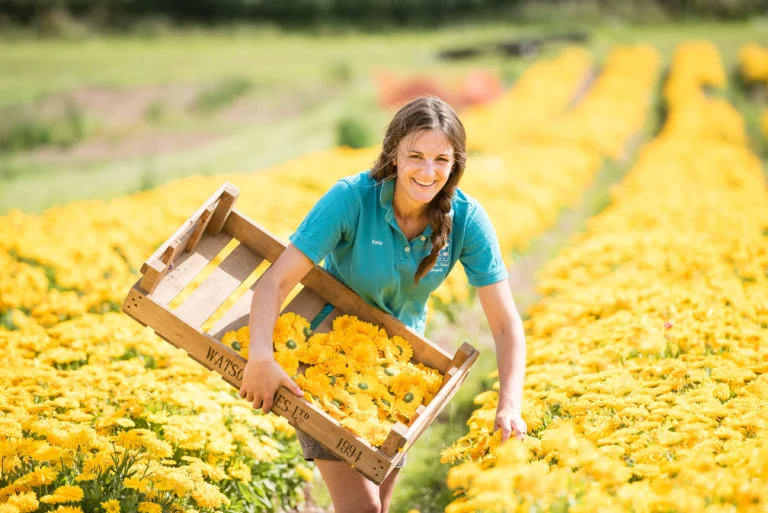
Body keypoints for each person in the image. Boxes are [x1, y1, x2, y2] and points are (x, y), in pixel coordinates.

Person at [238, 95, 527, 513]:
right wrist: (260, 356)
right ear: (393, 153)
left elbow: (505, 324)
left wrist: (509, 405)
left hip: (401, 376)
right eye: (416, 156)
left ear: (456, 164)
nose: (428, 172)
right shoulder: (351, 199)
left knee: (377, 507)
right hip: (323, 365)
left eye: (441, 160)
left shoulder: (466, 218)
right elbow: (274, 283)